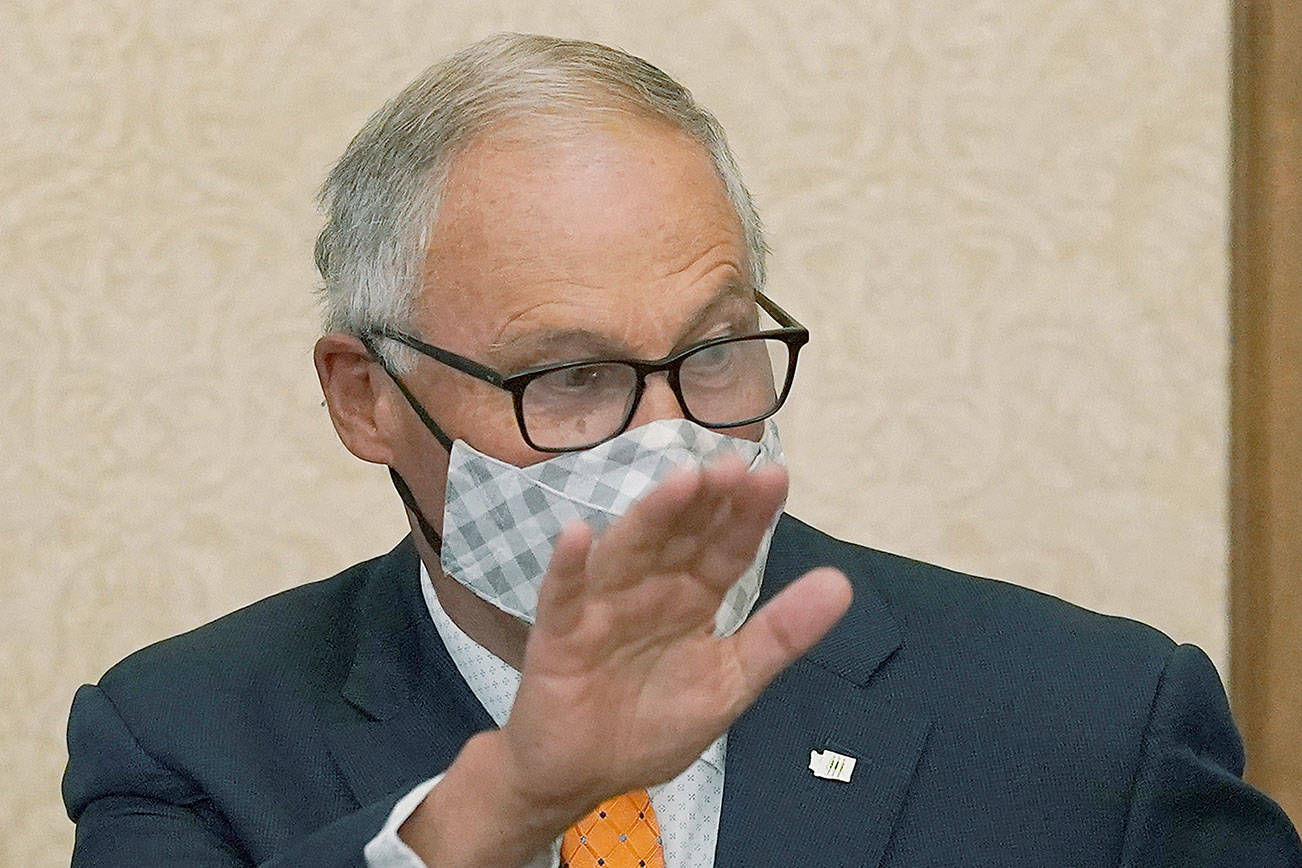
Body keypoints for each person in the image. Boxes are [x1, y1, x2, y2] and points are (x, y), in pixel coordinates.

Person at [63, 32, 1301, 868]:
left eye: (713, 353)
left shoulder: (1093, 720)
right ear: (365, 399)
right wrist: (503, 806)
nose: (669, 442)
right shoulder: (187, 737)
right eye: (571, 376)